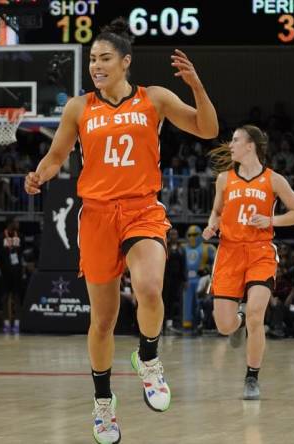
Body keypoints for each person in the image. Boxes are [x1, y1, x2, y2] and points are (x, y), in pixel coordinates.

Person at [24, 18, 218, 443]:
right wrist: (40, 174)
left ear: (125, 62)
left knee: (149, 286)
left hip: (141, 209)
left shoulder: (156, 99)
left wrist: (197, 87)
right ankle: (103, 404)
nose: (96, 65)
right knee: (103, 320)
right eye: (92, 59)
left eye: (105, 58)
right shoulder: (79, 108)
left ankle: (148, 358)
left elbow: (208, 130)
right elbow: (57, 157)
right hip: (95, 216)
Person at [202, 125, 294, 401]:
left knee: (256, 314)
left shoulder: (274, 180)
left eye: (236, 140)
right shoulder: (224, 179)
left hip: (260, 251)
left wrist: (271, 220)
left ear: (251, 146)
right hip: (229, 253)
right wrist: (212, 225)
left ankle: (251, 377)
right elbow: (216, 211)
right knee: (224, 325)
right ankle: (236, 324)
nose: (231, 145)